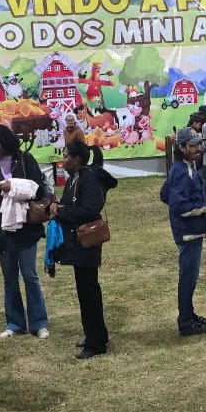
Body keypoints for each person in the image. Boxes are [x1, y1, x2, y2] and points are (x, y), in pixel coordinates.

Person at [0, 123, 51, 340]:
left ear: (6, 141)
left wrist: (14, 187)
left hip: (26, 226)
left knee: (29, 275)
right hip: (1, 227)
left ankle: (39, 323)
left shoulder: (25, 159)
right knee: (9, 278)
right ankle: (15, 323)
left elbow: (38, 189)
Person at [51, 141, 118, 359]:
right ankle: (94, 335)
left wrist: (61, 213)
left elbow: (89, 209)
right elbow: (68, 204)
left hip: (87, 242)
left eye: (66, 156)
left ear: (77, 159)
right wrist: (58, 207)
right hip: (76, 243)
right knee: (85, 292)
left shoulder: (89, 178)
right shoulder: (74, 178)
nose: (63, 160)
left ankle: (96, 342)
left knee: (89, 293)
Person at [160, 126, 206, 337]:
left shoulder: (181, 168)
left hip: (188, 231)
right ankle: (185, 322)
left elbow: (164, 193)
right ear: (181, 147)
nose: (197, 149)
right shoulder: (183, 171)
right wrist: (204, 209)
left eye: (198, 144)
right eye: (192, 145)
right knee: (188, 278)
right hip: (189, 233)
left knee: (189, 276)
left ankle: (189, 315)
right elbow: (178, 205)